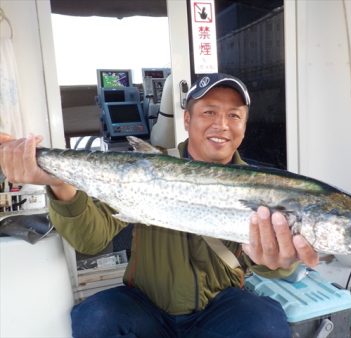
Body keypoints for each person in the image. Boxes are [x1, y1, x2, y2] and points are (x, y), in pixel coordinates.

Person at [0, 73, 318, 338]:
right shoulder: (148, 169)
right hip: (145, 306)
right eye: (209, 112)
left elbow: (276, 266)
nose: (222, 124)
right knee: (96, 318)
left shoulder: (262, 186)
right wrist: (58, 181)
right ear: (188, 118)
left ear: (244, 125)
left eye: (234, 115)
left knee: (266, 323)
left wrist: (281, 260)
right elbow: (90, 240)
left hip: (220, 308)